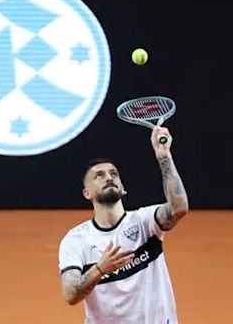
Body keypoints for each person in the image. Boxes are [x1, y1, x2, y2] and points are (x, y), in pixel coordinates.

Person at [58, 125, 189, 323]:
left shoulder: (145, 222)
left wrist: (164, 156)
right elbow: (70, 294)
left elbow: (179, 208)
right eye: (99, 176)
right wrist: (100, 269)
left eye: (114, 174)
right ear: (88, 194)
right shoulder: (76, 240)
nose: (109, 177)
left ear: (123, 188)